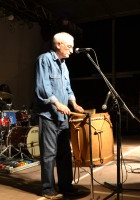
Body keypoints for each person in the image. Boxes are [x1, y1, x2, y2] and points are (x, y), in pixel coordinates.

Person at [34, 32, 85, 199]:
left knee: (64, 153)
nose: (71, 50)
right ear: (58, 45)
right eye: (69, 47)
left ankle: (66, 186)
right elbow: (43, 87)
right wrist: (58, 104)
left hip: (62, 118)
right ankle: (48, 189)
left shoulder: (64, 64)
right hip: (49, 116)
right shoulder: (44, 60)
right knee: (49, 154)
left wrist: (74, 103)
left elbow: (68, 88)